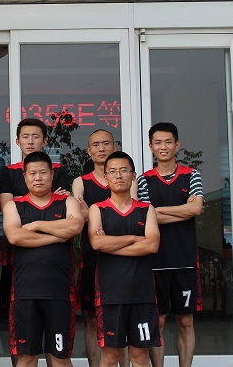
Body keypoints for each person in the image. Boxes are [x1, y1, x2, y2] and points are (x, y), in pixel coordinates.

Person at [2, 151, 83, 367]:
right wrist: (57, 236)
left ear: (52, 175)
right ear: (25, 176)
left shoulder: (67, 202)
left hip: (60, 293)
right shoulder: (14, 205)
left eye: (43, 173)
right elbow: (15, 236)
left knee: (60, 358)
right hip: (25, 293)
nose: (38, 178)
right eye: (32, 173)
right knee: (27, 358)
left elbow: (75, 226)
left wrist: (36, 226)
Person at [0, 118, 70, 347]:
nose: (30, 141)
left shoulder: (58, 170)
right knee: (16, 325)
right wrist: (57, 232)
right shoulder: (8, 172)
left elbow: (65, 209)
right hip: (18, 259)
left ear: (45, 141)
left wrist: (32, 222)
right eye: (25, 137)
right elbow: (8, 208)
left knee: (57, 341)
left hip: (56, 264)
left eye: (36, 136)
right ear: (17, 141)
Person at [137, 123, 203, 367]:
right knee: (159, 321)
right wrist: (182, 210)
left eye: (168, 142)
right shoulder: (144, 179)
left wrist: (159, 211)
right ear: (151, 147)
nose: (163, 147)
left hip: (185, 260)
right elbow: (146, 217)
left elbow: (196, 209)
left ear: (177, 145)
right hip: (156, 261)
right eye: (158, 142)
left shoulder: (191, 174)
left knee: (186, 321)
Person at [89, 151, 161, 367]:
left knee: (140, 357)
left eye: (123, 170)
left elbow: (152, 245)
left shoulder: (146, 209)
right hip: (110, 296)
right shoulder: (97, 209)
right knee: (110, 357)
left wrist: (111, 245)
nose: (118, 175)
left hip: (142, 295)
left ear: (133, 175)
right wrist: (132, 238)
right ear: (106, 177)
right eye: (112, 171)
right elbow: (97, 243)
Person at [71, 129, 133, 367]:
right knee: (91, 319)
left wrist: (94, 214)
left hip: (124, 260)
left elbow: (133, 214)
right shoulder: (80, 182)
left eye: (106, 143)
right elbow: (79, 216)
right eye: (95, 145)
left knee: (123, 318)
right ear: (89, 151)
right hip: (92, 259)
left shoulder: (128, 179)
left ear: (114, 147)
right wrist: (112, 217)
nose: (101, 148)